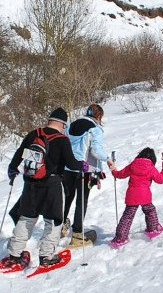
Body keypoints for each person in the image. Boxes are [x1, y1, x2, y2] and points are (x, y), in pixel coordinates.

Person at [2, 107, 87, 268]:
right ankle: (46, 257)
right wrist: (82, 165)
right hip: (52, 185)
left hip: (30, 185)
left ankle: (14, 255)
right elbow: (70, 163)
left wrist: (12, 169)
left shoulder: (34, 134)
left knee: (26, 219)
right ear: (62, 124)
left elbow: (20, 153)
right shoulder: (62, 139)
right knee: (53, 221)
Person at [62, 104, 110, 247]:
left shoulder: (71, 126)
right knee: (81, 201)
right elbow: (96, 151)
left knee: (68, 197)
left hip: (68, 168)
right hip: (85, 169)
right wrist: (108, 159)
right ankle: (77, 234)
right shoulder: (95, 129)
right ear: (99, 116)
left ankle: (61, 226)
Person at [107, 147, 163, 249]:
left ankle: (120, 238)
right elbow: (161, 179)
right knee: (150, 211)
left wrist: (113, 171)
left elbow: (120, 174)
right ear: (152, 158)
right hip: (145, 196)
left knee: (127, 216)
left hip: (132, 195)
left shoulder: (133, 164)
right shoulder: (151, 167)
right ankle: (152, 229)